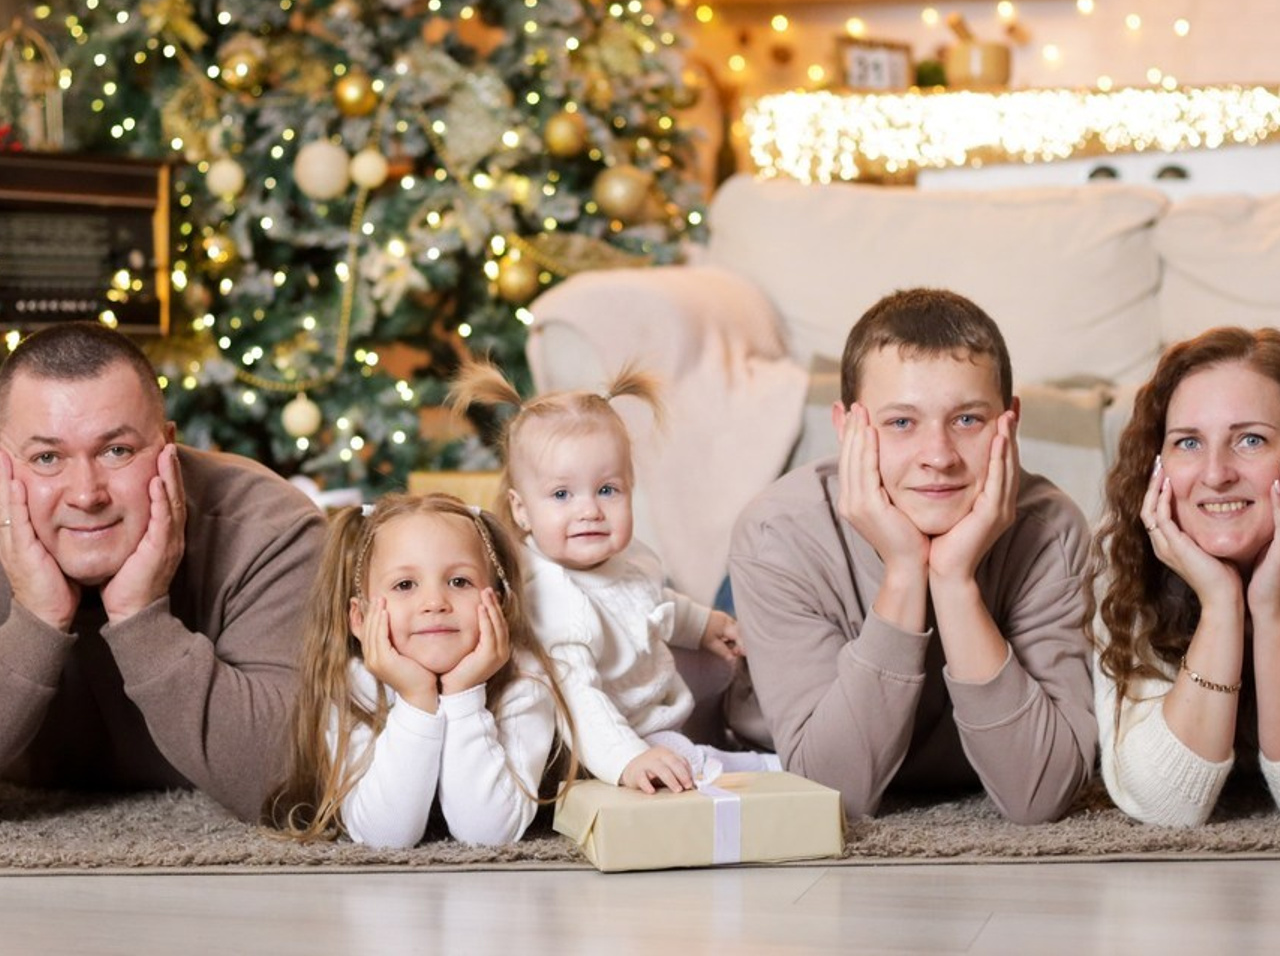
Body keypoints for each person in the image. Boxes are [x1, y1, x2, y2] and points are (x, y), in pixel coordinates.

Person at [726, 287, 1096, 824]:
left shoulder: (1051, 530)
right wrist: (903, 574)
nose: (939, 457)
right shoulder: (774, 533)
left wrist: (953, 580)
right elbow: (831, 795)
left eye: (967, 419)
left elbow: (1041, 796)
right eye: (901, 423)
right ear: (847, 428)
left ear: (1009, 422)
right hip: (782, 610)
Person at [0, 321, 324, 821]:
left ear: (167, 447)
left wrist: (139, 618)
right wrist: (36, 619)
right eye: (47, 457)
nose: (87, 494)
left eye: (117, 451)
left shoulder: (271, 530)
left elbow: (290, 782)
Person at [450, 361, 779, 793]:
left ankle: (731, 724)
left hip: (646, 705)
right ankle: (770, 769)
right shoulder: (554, 600)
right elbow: (579, 701)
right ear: (521, 509)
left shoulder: (626, 558)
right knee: (687, 761)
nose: (589, 510)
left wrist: (703, 624)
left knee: (717, 659)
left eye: (607, 490)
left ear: (630, 487)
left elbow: (649, 602)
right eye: (562, 495)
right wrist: (629, 759)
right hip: (591, 743)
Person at [269, 492, 566, 846]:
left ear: (497, 605)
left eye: (459, 581)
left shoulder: (525, 680)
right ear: (361, 618)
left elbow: (488, 833)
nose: (434, 603)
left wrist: (463, 693)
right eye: (405, 585)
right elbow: (383, 837)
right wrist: (415, 697)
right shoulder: (355, 683)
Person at [1089, 326, 1280, 826]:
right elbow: (1165, 803)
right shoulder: (1124, 560)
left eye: (1251, 439)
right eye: (1189, 442)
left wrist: (1270, 611)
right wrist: (1222, 603)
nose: (1216, 473)